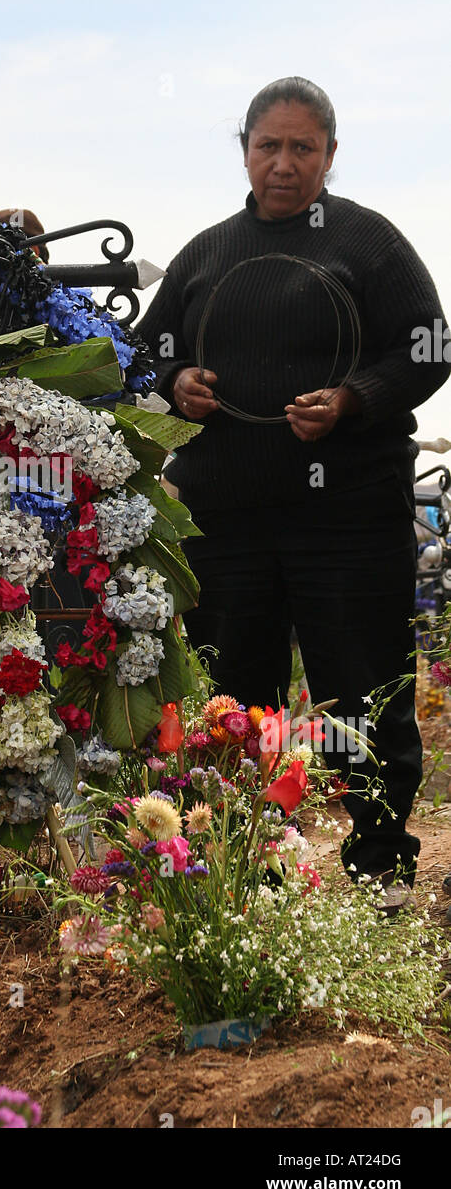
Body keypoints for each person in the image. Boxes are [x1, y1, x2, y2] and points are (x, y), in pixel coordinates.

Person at [140, 76, 450, 906]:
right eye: (267, 145)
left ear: (330, 156)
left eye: (301, 148)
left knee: (364, 692)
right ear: (243, 149)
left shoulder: (369, 244)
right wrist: (177, 381)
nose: (283, 163)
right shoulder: (206, 253)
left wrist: (354, 400)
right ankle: (253, 870)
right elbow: (141, 356)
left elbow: (429, 346)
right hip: (225, 526)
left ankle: (380, 867)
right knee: (237, 700)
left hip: (348, 522)